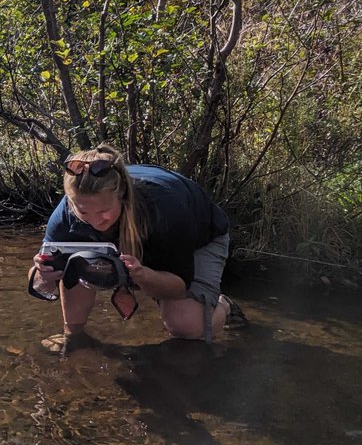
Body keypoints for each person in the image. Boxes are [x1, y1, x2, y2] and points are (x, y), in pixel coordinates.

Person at [29, 144, 242, 351]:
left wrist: (143, 276)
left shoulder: (165, 208)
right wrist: (44, 276)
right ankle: (72, 334)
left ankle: (223, 305)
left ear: (121, 195)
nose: (95, 221)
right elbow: (39, 283)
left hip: (200, 237)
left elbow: (179, 287)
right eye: (83, 213)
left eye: (104, 211)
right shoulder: (65, 214)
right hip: (140, 240)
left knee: (186, 325)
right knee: (73, 262)